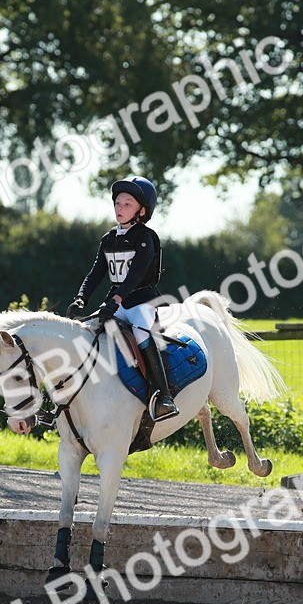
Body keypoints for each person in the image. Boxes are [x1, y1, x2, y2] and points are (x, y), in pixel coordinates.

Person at [67, 176, 179, 422]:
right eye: (117, 203)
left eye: (127, 204)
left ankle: (164, 395)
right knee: (87, 332)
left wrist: (114, 301)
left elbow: (135, 276)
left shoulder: (146, 237)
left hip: (142, 302)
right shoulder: (109, 239)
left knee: (141, 334)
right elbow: (96, 273)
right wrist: (81, 299)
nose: (120, 208)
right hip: (116, 302)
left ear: (142, 210)